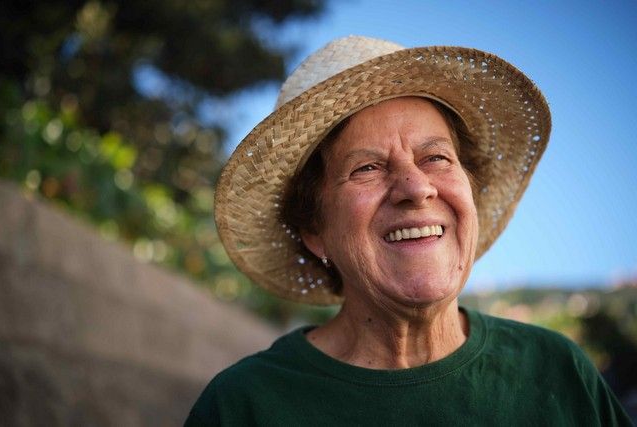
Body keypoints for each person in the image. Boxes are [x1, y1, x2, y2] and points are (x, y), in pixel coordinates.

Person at [185, 36, 632, 426]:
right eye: (367, 168)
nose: (416, 188)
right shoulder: (244, 406)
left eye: (436, 157)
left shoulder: (558, 371)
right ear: (315, 231)